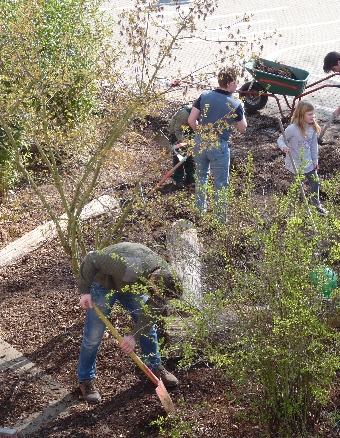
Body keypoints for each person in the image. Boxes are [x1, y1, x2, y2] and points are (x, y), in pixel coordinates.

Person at [76, 242, 182, 404]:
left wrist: (134, 336)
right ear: (153, 283)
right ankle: (86, 380)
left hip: (132, 287)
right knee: (93, 336)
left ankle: (154, 365)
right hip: (104, 284)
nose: (159, 298)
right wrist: (84, 290)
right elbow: (91, 258)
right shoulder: (125, 264)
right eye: (158, 294)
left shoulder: (167, 277)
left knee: (148, 328)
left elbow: (152, 311)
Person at [188, 67, 247, 222]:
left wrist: (201, 133)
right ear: (229, 83)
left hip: (200, 142)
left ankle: (200, 212)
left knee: (201, 177)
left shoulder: (204, 95)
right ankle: (220, 219)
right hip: (219, 146)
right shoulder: (235, 104)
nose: (237, 86)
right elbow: (242, 129)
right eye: (236, 83)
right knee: (221, 182)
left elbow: (191, 120)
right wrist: (242, 113)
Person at [277, 100, 328, 216]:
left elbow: (314, 146)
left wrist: (315, 160)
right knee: (296, 188)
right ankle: (291, 213)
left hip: (308, 163)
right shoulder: (292, 129)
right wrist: (284, 147)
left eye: (313, 114)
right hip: (295, 164)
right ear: (301, 115)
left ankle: (316, 205)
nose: (313, 116)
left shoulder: (312, 128)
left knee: (315, 183)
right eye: (310, 114)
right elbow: (280, 139)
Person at [167, 104, 195, 189]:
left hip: (188, 132)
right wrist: (185, 141)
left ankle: (190, 176)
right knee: (179, 156)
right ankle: (178, 178)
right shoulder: (185, 114)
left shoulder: (201, 113)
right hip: (177, 133)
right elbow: (177, 130)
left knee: (189, 156)